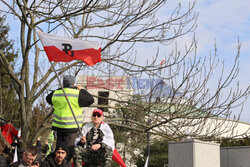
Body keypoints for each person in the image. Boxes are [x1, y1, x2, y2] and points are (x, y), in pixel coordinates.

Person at [46, 75, 94, 160]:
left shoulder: (57, 93)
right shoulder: (77, 93)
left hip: (59, 127)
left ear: (63, 84)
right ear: (73, 84)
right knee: (67, 152)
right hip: (72, 127)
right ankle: (65, 164)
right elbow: (90, 99)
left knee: (59, 150)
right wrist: (82, 89)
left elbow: (48, 98)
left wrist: (60, 89)